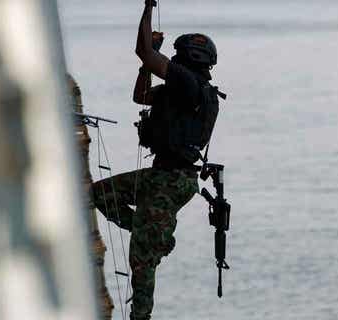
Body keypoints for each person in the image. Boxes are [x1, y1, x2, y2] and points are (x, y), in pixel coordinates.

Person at [91, 0, 222, 319]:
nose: (172, 60)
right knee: (99, 194)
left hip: (171, 180)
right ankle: (154, 232)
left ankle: (141, 313)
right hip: (167, 177)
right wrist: (145, 67)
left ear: (190, 58)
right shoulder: (185, 90)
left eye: (177, 56)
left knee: (142, 259)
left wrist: (148, 11)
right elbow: (141, 96)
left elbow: (144, 51)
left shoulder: (190, 85)